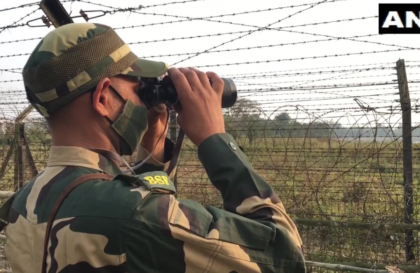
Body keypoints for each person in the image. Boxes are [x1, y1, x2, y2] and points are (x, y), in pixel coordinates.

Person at [0, 23, 305, 273]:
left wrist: (152, 150)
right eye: (137, 88)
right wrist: (214, 138)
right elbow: (284, 257)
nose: (142, 100)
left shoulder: (21, 204)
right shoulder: (138, 216)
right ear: (103, 98)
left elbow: (137, 235)